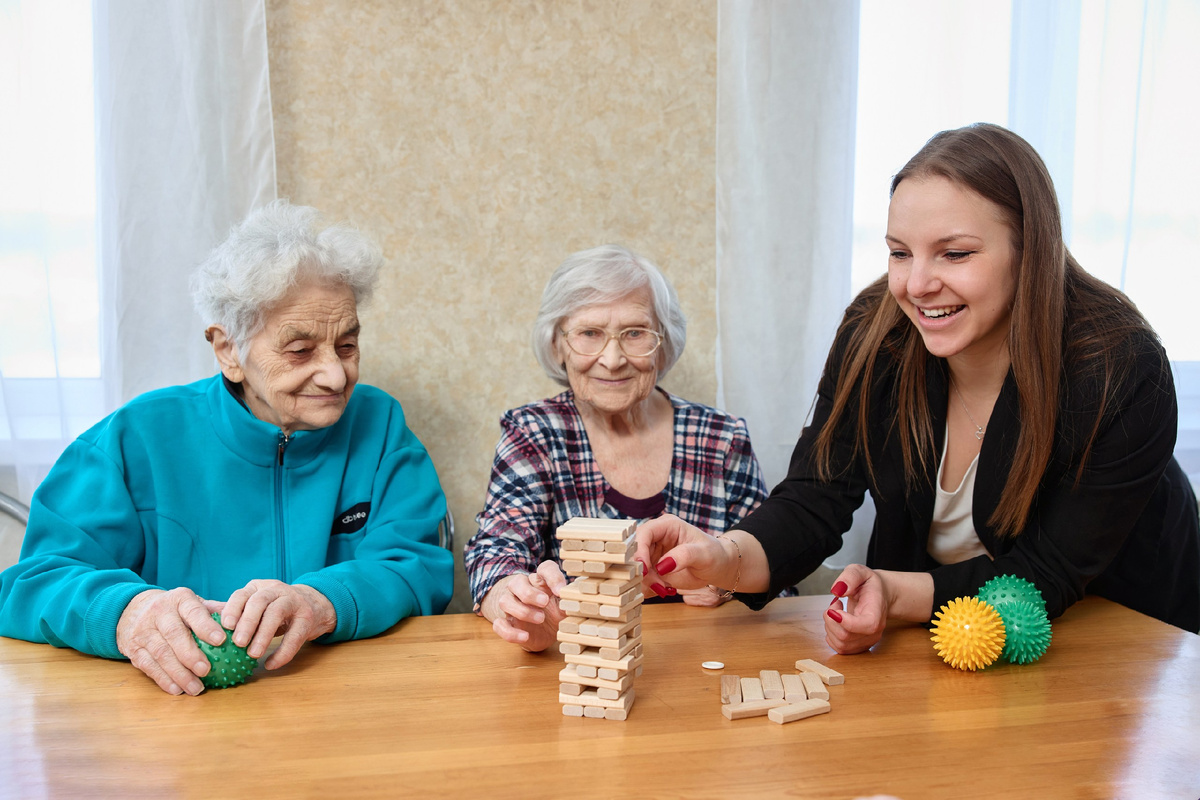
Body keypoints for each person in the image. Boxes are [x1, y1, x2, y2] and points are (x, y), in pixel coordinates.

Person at [635, 123, 1200, 653]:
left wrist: (896, 594)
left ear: (1031, 251)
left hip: (1114, 630)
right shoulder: (875, 333)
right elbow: (815, 497)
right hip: (945, 633)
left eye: (954, 253)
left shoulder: (1118, 365)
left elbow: (1048, 572)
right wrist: (725, 556)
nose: (916, 285)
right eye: (900, 252)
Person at [0, 201, 454, 694]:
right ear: (228, 350)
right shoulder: (137, 436)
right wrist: (128, 613)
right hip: (176, 715)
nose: (336, 374)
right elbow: (33, 582)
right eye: (300, 350)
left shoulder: (380, 423)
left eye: (347, 345)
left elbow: (417, 563)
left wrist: (322, 601)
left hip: (338, 704)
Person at [465, 245, 770, 652]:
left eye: (634, 333)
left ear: (662, 344)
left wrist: (731, 586)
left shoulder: (721, 437)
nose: (612, 359)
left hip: (703, 663)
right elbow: (496, 551)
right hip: (583, 664)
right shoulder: (534, 433)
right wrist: (513, 597)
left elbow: (776, 569)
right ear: (558, 345)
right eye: (589, 334)